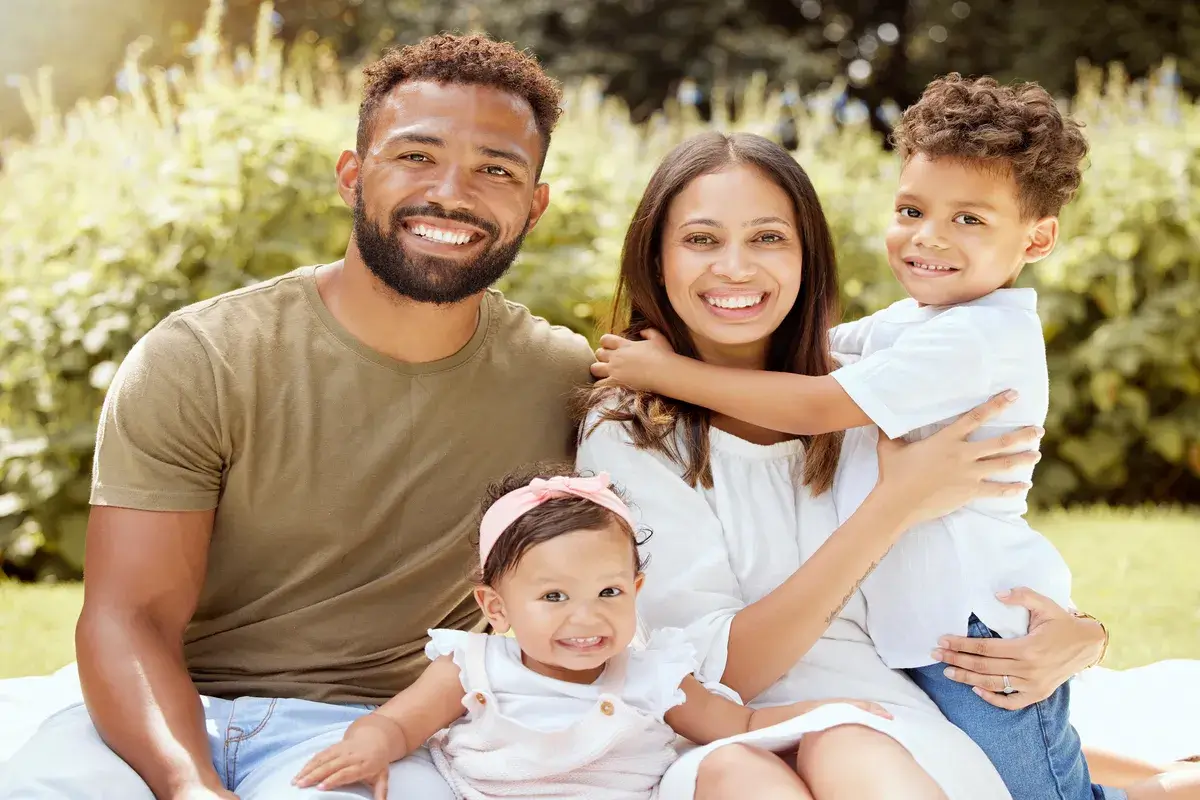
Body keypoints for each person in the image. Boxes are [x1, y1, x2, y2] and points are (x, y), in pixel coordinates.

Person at [0, 34, 595, 800]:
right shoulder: (202, 358)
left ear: (534, 206)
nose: (452, 193)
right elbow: (131, 617)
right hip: (163, 709)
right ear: (352, 175)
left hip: (370, 734)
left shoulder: (562, 381)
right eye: (416, 156)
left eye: (496, 169)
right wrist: (188, 785)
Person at [587, 77, 1199, 800]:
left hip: (898, 705)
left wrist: (1085, 635)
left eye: (768, 239)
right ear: (654, 256)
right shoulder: (634, 431)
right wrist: (893, 503)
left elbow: (824, 404)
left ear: (807, 255)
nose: (735, 267)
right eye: (700, 239)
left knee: (931, 759)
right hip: (722, 727)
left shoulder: (868, 388)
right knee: (750, 772)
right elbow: (709, 679)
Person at [290, 466, 894, 799]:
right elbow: (398, 721)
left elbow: (739, 725)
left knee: (744, 767)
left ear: (636, 589)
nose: (586, 618)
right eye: (553, 597)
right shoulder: (470, 667)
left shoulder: (655, 675)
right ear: (495, 607)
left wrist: (829, 710)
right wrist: (369, 745)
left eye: (609, 592)